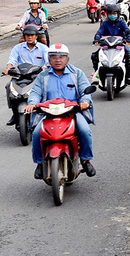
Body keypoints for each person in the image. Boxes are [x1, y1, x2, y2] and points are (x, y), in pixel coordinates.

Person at [25, 43, 96, 179]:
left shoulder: (76, 73)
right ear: (49, 59)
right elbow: (35, 92)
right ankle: (39, 163)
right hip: (49, 114)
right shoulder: (43, 76)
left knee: (85, 131)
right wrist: (32, 104)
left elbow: (85, 90)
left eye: (62, 57)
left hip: (72, 113)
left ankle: (86, 160)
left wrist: (85, 102)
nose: (58, 60)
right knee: (35, 134)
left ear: (67, 58)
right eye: (54, 57)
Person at [3, 25, 49, 126]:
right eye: (27, 35)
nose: (29, 37)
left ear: (36, 36)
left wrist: (45, 67)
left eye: (32, 35)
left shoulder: (43, 48)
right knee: (9, 87)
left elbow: (48, 62)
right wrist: (8, 68)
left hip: (37, 76)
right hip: (20, 76)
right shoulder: (18, 48)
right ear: (24, 36)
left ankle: (46, 113)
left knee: (47, 89)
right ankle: (15, 114)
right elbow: (12, 60)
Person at [92, 4, 130, 84]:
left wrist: (128, 40)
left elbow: (127, 32)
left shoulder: (122, 23)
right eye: (110, 14)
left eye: (114, 13)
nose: (112, 15)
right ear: (107, 14)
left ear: (118, 14)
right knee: (95, 55)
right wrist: (97, 39)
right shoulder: (105, 23)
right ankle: (96, 72)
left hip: (119, 44)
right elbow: (99, 32)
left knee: (128, 54)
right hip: (106, 44)